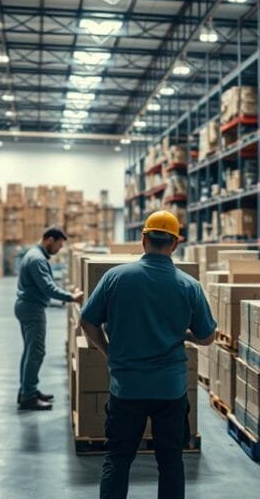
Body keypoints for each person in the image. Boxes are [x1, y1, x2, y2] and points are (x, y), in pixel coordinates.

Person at [79, 211, 216, 499]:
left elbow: (88, 320)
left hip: (127, 388)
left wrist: (108, 351)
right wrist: (184, 334)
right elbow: (207, 337)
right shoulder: (189, 286)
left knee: (118, 459)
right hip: (170, 390)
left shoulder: (115, 277)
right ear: (175, 244)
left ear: (143, 239)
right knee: (170, 462)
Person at [15, 226, 83, 411]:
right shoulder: (37, 259)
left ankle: (27, 390)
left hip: (26, 307)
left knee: (29, 351)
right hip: (32, 309)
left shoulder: (34, 255)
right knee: (36, 352)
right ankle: (28, 397)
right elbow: (48, 288)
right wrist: (71, 297)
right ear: (49, 240)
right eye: (59, 245)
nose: (59, 249)